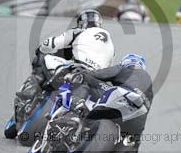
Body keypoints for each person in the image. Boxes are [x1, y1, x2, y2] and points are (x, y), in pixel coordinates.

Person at [6, 9, 114, 139]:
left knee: (43, 59)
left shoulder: (79, 32)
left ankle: (28, 92)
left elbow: (51, 44)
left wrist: (41, 49)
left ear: (81, 22)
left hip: (75, 70)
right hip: (94, 79)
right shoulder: (111, 45)